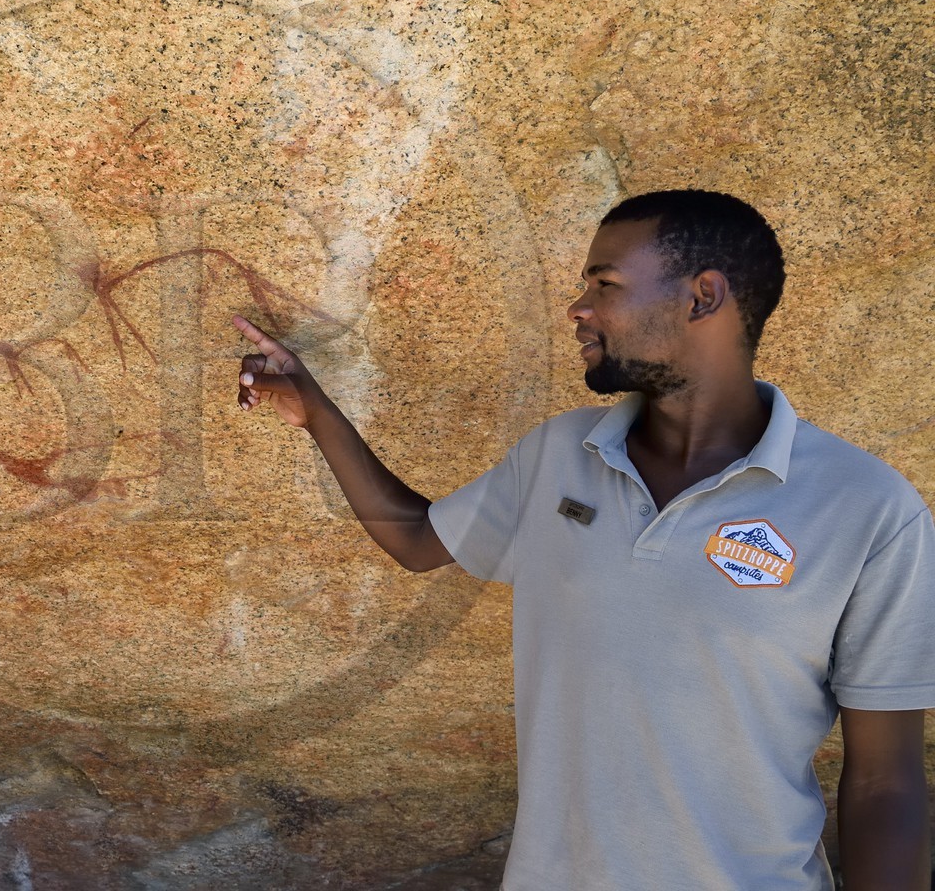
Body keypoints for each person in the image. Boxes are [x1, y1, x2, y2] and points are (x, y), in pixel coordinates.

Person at [234, 189, 932, 890]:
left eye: (605, 284)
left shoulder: (868, 508)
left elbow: (884, 783)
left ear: (703, 296)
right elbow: (418, 539)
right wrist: (315, 411)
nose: (579, 308)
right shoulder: (559, 456)